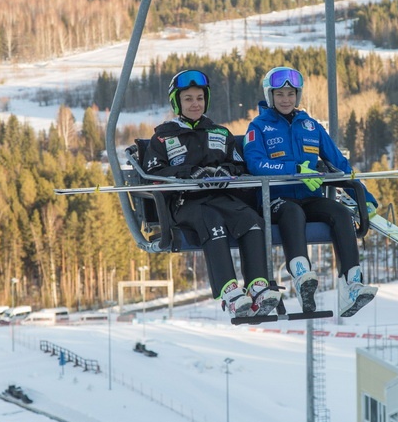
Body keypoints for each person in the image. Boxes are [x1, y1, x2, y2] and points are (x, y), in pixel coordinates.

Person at [142, 69, 281, 318]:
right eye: (188, 99)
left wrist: (223, 171)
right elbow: (154, 173)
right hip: (185, 204)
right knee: (212, 222)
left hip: (221, 198)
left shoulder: (220, 133)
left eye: (199, 98)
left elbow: (239, 165)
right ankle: (229, 291)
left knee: (251, 220)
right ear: (177, 102)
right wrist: (188, 173)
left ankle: (258, 286)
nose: (195, 104)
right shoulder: (163, 138)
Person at [244, 66, 379, 317]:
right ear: (270, 95)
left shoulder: (310, 125)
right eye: (280, 94)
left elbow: (339, 163)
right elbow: (256, 163)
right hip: (275, 200)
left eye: (291, 94)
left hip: (311, 197)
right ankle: (301, 274)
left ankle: (351, 284)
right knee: (293, 212)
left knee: (339, 213)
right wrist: (295, 169)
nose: (286, 99)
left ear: (298, 95)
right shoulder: (259, 126)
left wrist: (363, 197)